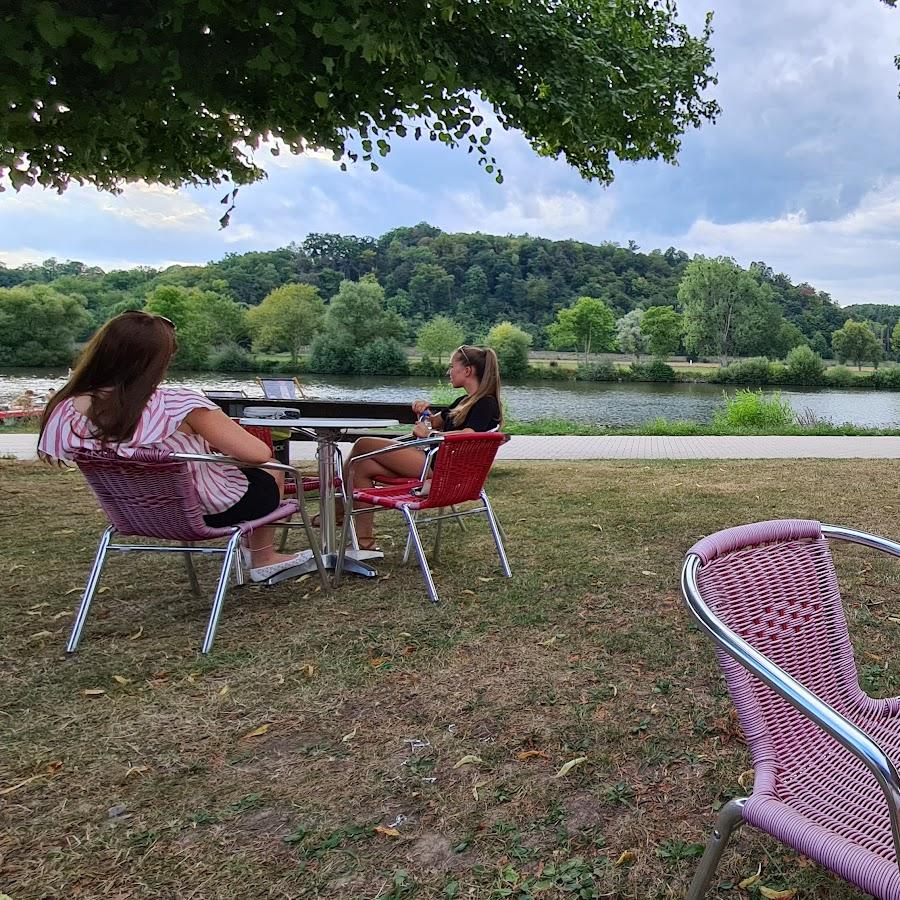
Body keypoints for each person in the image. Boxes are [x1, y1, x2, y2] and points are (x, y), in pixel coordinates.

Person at [38, 311, 307, 582]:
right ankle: (262, 557)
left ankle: (253, 552)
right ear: (158, 360)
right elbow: (258, 453)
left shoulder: (67, 408)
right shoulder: (178, 405)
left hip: (134, 514)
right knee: (272, 467)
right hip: (209, 512)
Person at [339, 345, 502, 550]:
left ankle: (337, 509)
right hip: (433, 463)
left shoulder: (486, 403)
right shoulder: (463, 402)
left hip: (441, 470)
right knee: (361, 467)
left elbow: (470, 435)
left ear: (467, 370)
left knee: (362, 444)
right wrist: (424, 412)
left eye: (452, 366)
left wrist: (430, 435)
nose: (449, 372)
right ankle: (364, 542)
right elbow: (433, 422)